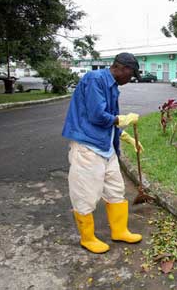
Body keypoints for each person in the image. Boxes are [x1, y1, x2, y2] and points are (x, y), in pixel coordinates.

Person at [62, 52, 144, 254]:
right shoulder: (95, 79)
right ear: (122, 68)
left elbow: (108, 119)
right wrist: (122, 119)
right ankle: (87, 238)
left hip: (106, 148)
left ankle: (120, 231)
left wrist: (126, 137)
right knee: (86, 194)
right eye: (131, 74)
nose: (130, 78)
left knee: (116, 189)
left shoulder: (112, 86)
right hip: (88, 147)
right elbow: (97, 115)